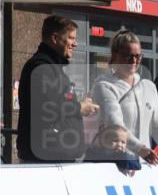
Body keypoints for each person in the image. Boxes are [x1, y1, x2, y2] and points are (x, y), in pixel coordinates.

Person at [91, 30, 158, 175]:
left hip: (143, 165)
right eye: (128, 56)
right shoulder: (104, 85)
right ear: (115, 55)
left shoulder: (149, 86)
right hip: (115, 166)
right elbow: (115, 125)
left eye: (137, 56)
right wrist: (141, 149)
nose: (134, 61)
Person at [16, 15, 99, 162]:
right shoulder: (41, 68)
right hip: (45, 159)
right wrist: (79, 107)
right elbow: (48, 107)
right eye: (71, 38)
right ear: (55, 38)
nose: (76, 44)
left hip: (54, 156)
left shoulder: (51, 68)